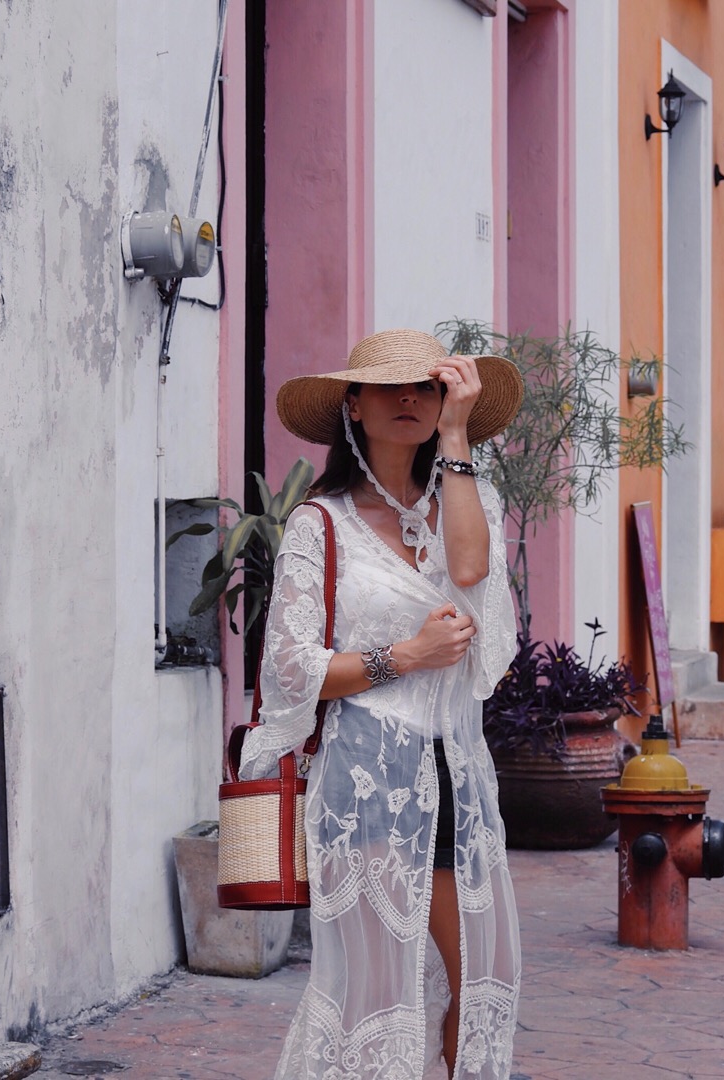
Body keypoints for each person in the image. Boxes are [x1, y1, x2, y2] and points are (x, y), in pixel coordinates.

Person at [239, 328, 524, 1080]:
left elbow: (467, 568)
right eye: (389, 388)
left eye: (426, 388)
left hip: (458, 775)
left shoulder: (470, 499)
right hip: (367, 784)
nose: (410, 400)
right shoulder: (317, 524)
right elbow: (290, 672)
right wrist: (404, 656)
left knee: (483, 979)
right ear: (353, 407)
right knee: (371, 993)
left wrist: (459, 433)